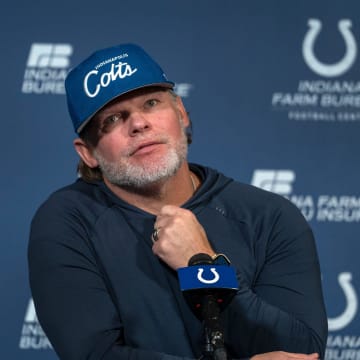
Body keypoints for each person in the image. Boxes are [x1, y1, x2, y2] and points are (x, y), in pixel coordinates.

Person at [28, 43, 328, 360]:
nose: (139, 124)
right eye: (113, 119)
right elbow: (94, 355)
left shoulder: (268, 215)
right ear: (87, 153)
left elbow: (302, 351)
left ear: (181, 113)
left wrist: (204, 265)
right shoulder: (68, 221)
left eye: (152, 103)